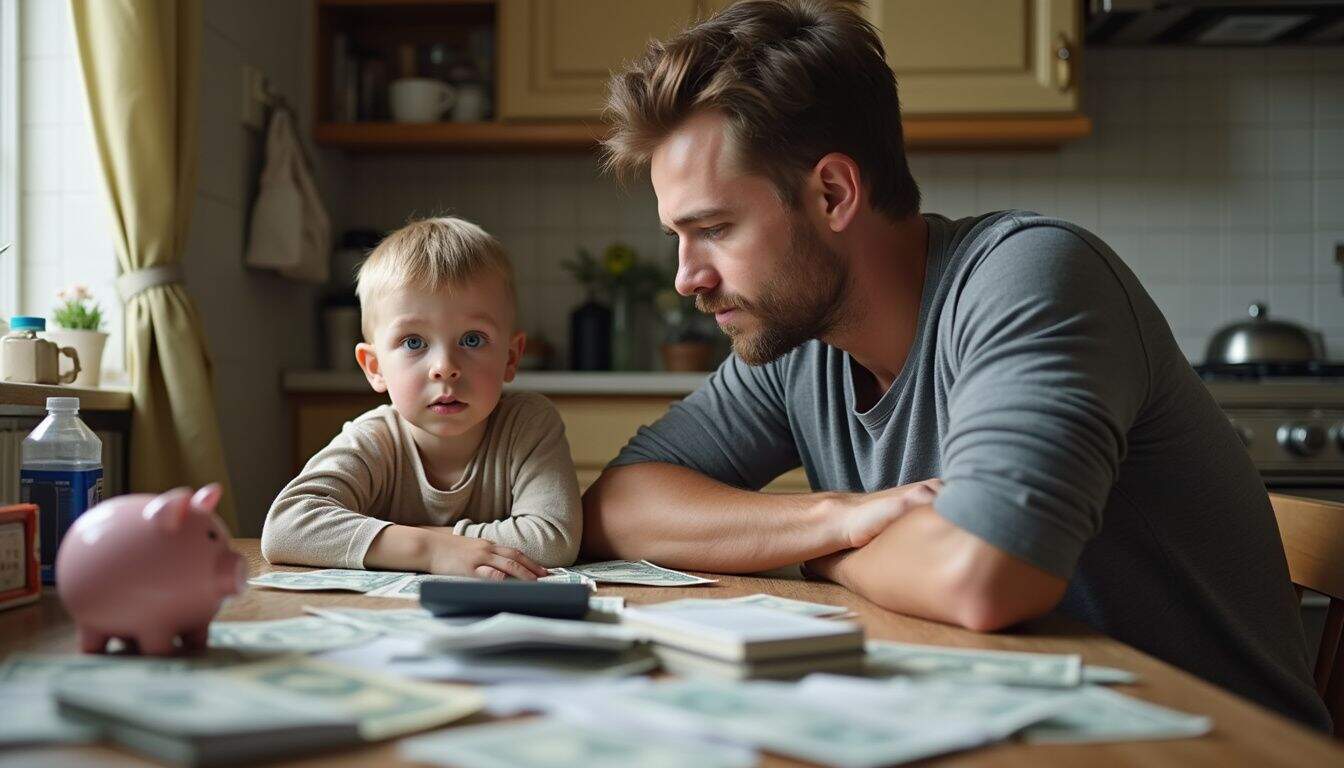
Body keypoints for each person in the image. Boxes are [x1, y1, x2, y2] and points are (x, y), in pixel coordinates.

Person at [582, 0, 1330, 729]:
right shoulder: (799, 342)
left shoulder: (1031, 275)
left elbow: (986, 578)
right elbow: (619, 506)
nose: (686, 277)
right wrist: (834, 517)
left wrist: (826, 559)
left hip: (1205, 745)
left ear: (834, 192)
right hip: (1017, 722)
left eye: (712, 229)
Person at [262, 217, 581, 579]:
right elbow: (285, 528)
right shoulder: (373, 439)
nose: (445, 368)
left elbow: (553, 540)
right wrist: (432, 551)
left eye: (472, 340)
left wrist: (405, 542)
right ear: (374, 366)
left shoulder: (528, 424)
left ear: (510, 358)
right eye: (414, 342)